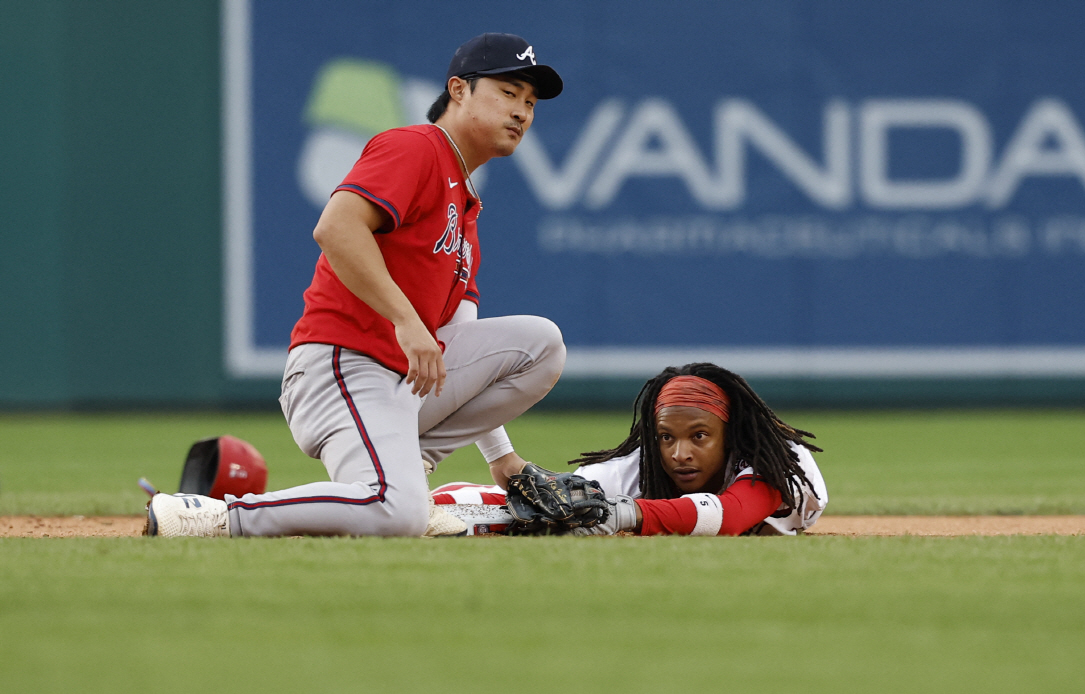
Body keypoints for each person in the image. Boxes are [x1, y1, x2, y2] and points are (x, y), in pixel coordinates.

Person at [146, 33, 566, 538]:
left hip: (395, 383)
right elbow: (336, 228)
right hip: (342, 363)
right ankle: (218, 515)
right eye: (508, 92)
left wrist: (503, 459)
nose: (521, 111)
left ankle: (407, 470)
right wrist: (408, 320)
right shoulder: (416, 147)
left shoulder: (466, 208)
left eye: (530, 102)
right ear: (458, 90)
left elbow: (460, 353)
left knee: (541, 345)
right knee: (397, 513)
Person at [434, 363, 828, 536]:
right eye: (666, 437)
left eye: (699, 436)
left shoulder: (776, 463)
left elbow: (730, 517)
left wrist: (622, 514)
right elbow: (519, 500)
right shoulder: (636, 471)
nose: (679, 454)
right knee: (540, 510)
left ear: (730, 434)